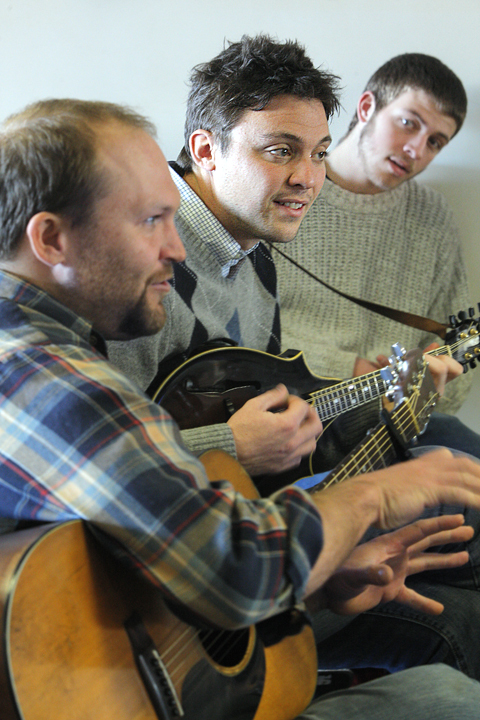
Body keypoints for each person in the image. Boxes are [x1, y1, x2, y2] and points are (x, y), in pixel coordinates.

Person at [2, 97, 480, 718]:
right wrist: (374, 497)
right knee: (447, 700)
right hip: (131, 685)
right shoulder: (48, 378)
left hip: (156, 645)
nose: (176, 247)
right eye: (152, 220)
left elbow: (136, 541)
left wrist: (321, 580)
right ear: (51, 238)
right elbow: (233, 570)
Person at [107, 34, 339, 478]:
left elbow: (255, 414)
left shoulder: (257, 256)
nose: (307, 178)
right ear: (206, 151)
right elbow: (88, 455)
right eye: (281, 151)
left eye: (320, 154)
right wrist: (229, 447)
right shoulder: (139, 259)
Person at [274, 52, 480, 464]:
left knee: (464, 468)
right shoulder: (291, 186)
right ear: (367, 107)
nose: (416, 149)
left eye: (435, 142)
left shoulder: (431, 217)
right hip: (279, 412)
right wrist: (348, 366)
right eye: (409, 123)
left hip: (386, 425)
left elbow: (452, 364)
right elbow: (232, 329)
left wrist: (418, 382)